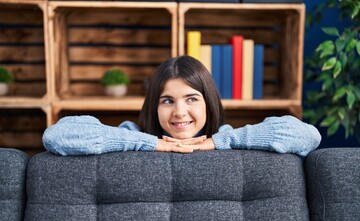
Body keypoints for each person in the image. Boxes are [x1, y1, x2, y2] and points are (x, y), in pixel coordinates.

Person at [43, 56, 321, 157]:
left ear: (208, 102)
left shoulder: (225, 136)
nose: (179, 112)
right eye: (167, 101)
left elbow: (309, 136)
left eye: (191, 99)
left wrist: (224, 141)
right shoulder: (132, 134)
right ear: (154, 106)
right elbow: (55, 136)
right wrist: (150, 144)